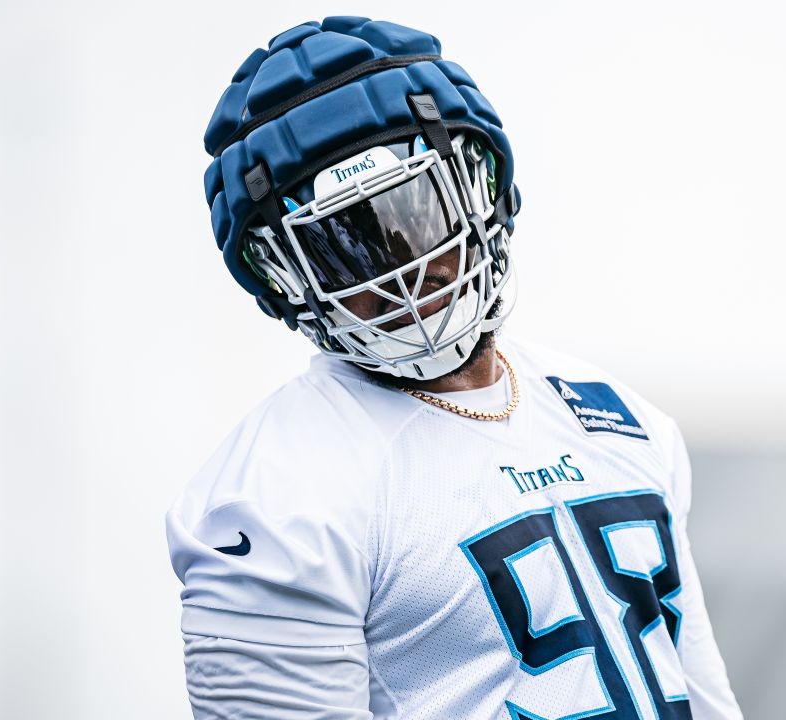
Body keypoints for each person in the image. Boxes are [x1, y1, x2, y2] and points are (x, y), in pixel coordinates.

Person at [165, 16, 743, 720]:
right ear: (284, 273)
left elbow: (704, 699)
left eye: (415, 208)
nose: (401, 265)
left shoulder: (620, 418)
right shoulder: (276, 497)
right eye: (345, 242)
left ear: (480, 182)